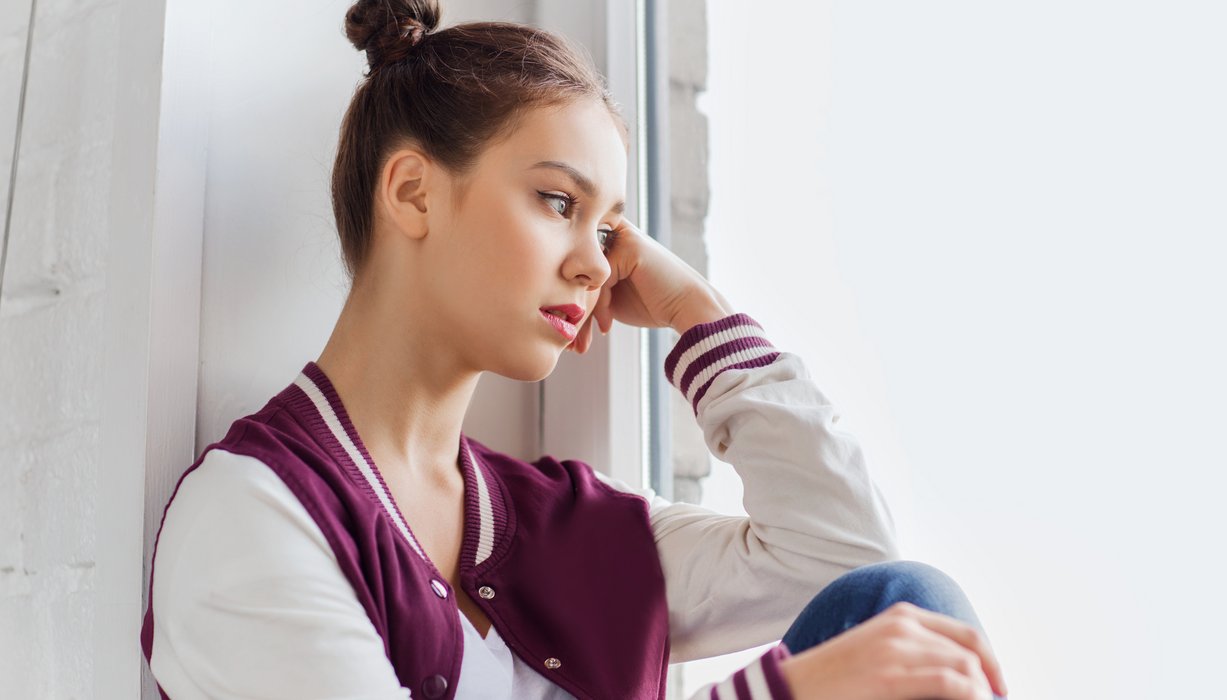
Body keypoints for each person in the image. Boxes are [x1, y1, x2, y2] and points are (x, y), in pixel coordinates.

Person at [139, 1, 1010, 698]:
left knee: (905, 604)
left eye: (611, 228)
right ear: (411, 192)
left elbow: (848, 553)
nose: (595, 263)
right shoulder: (252, 517)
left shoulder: (564, 526)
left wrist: (696, 312)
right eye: (559, 202)